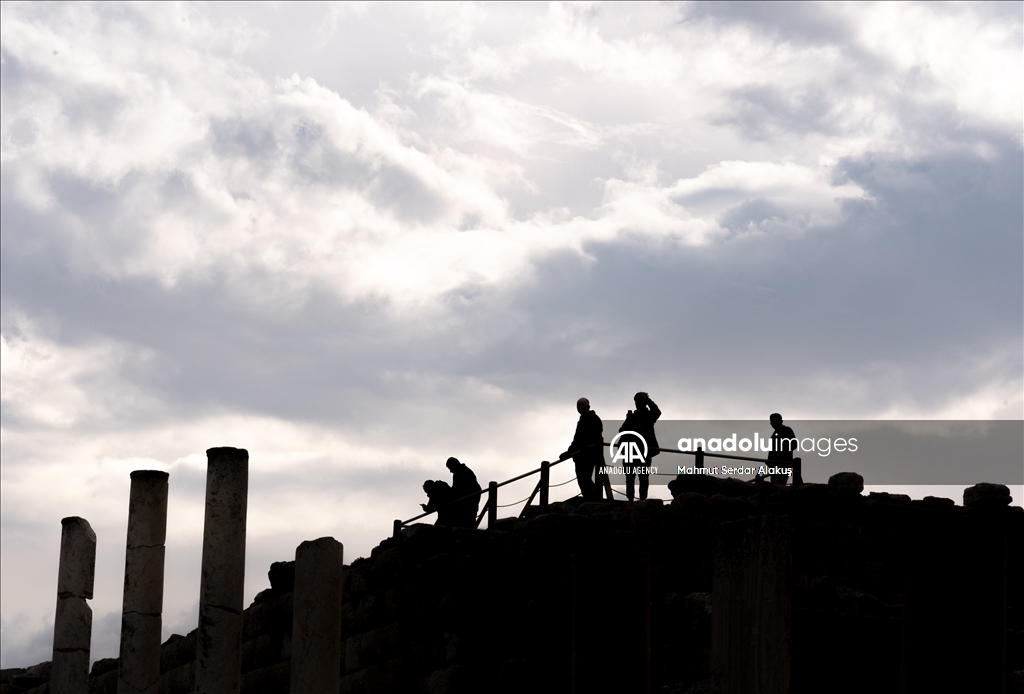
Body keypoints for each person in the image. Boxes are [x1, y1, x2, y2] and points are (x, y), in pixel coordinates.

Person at [619, 392, 661, 501]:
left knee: (639, 477)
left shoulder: (647, 416)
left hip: (641, 451)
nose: (637, 403)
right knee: (633, 477)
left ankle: (638, 499)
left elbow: (657, 412)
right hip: (633, 450)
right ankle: (633, 499)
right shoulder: (633, 416)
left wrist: (648, 400)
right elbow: (622, 430)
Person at [561, 397, 604, 500]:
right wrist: (570, 451)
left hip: (588, 454)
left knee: (585, 477)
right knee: (582, 478)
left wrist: (575, 450)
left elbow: (591, 436)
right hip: (580, 454)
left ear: (588, 406)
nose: (580, 407)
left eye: (582, 404)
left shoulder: (593, 419)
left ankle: (593, 497)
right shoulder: (582, 420)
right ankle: (590, 497)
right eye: (578, 405)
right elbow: (577, 439)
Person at [446, 457, 481, 527]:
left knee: (467, 521)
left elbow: (458, 489)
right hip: (468, 501)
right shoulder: (461, 472)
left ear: (454, 464)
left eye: (450, 468)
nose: (450, 471)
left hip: (468, 501)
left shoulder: (462, 472)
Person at [764, 412, 798, 485]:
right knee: (774, 486)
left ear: (781, 421)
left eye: (776, 420)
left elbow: (794, 444)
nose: (774, 422)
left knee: (777, 486)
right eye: (772, 421)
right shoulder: (775, 434)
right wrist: (769, 462)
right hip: (775, 465)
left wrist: (783, 456)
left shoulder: (786, 430)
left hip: (783, 464)